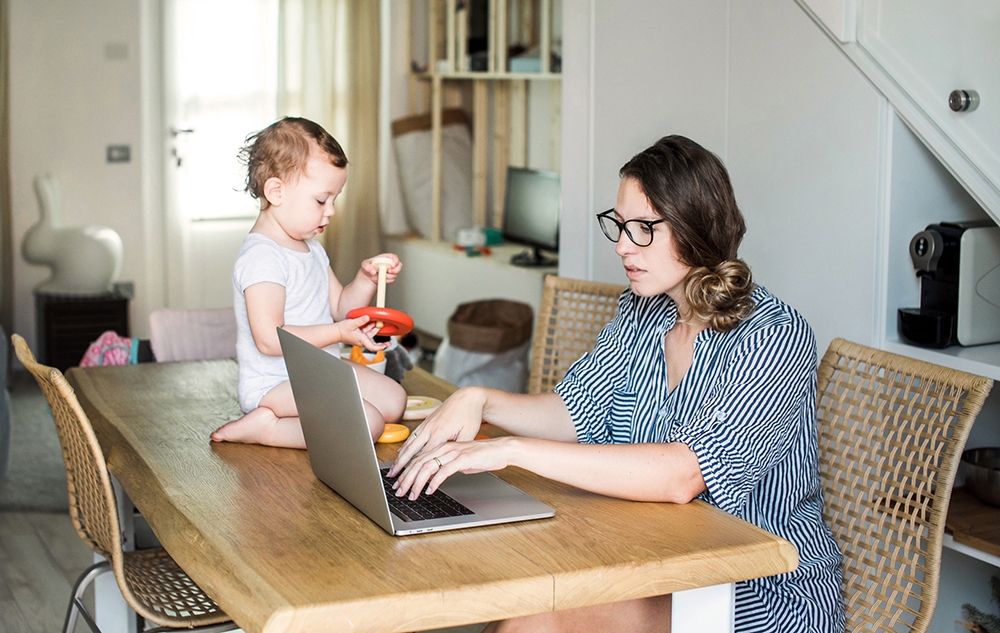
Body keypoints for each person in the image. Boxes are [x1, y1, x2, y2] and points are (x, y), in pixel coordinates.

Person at [389, 136, 845, 633]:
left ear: (696, 229)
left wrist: (512, 450)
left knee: (535, 618)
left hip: (755, 585)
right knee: (514, 579)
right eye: (621, 226)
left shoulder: (774, 335)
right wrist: (477, 399)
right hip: (644, 553)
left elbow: (682, 477)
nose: (623, 246)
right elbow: (573, 410)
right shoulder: (642, 310)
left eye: (644, 229)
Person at [212, 117, 407, 448]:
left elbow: (341, 308)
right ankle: (266, 428)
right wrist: (340, 334)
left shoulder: (311, 249)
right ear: (276, 192)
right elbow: (271, 341)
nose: (330, 211)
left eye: (335, 199)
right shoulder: (263, 257)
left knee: (394, 401)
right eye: (321, 200)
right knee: (368, 423)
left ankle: (300, 417)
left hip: (318, 371)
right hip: (274, 384)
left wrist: (366, 278)